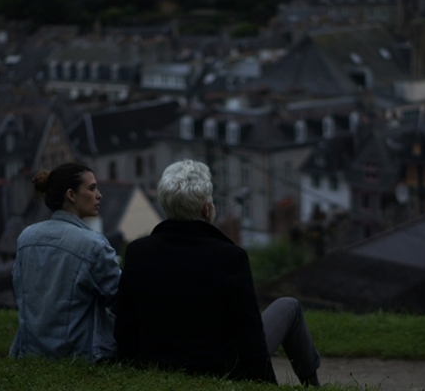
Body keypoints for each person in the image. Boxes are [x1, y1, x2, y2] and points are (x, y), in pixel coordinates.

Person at [114, 160, 321, 385]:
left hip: (157, 364)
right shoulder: (230, 257)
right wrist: (266, 384)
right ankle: (313, 386)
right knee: (289, 306)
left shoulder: (138, 252)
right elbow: (249, 336)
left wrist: (135, 372)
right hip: (220, 368)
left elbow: (126, 327)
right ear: (206, 207)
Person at [10, 163, 121, 363]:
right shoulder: (93, 245)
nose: (99, 195)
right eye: (92, 188)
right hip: (79, 355)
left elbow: (20, 290)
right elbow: (121, 298)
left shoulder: (26, 237)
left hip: (29, 354)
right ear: (71, 195)